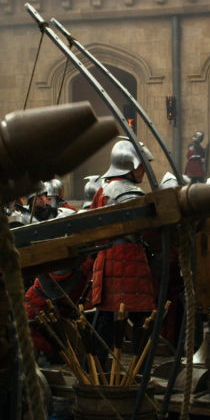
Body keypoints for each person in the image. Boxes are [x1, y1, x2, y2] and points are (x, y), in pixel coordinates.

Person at [88, 139, 156, 359]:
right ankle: (141, 368)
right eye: (141, 166)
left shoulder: (102, 189)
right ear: (129, 165)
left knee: (106, 319)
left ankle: (96, 367)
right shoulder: (130, 193)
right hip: (128, 260)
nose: (144, 171)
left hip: (106, 259)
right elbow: (146, 231)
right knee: (141, 320)